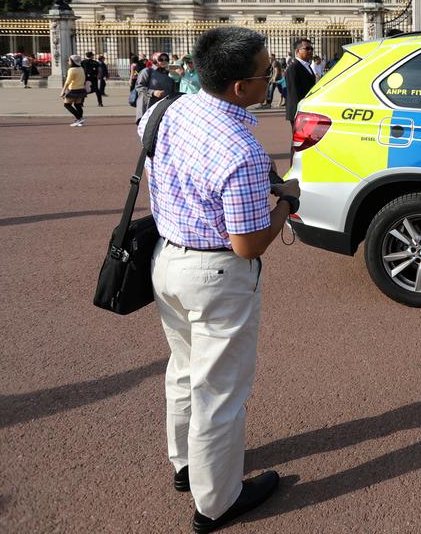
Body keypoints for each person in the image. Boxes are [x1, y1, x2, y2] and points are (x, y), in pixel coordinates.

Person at [140, 26, 297, 531]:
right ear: (240, 88)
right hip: (215, 274)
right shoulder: (243, 149)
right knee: (221, 392)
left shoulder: (166, 110)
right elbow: (247, 243)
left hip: (167, 260)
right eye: (266, 72)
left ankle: (184, 464)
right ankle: (217, 502)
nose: (270, 78)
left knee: (183, 371)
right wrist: (286, 204)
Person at [134, 53, 177, 123]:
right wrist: (153, 92)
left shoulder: (169, 73)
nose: (164, 61)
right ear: (155, 60)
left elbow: (173, 89)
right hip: (148, 105)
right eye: (161, 59)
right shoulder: (147, 71)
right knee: (147, 130)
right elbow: (139, 86)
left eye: (166, 59)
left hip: (163, 107)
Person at [284, 39, 318, 128]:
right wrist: (300, 113)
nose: (310, 51)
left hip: (307, 110)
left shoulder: (307, 66)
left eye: (311, 48)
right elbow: (293, 93)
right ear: (297, 51)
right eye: (307, 48)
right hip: (299, 112)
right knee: (299, 140)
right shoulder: (293, 67)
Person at [60, 55, 88, 126]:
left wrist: (63, 90)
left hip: (73, 90)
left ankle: (79, 119)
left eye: (69, 60)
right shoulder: (81, 68)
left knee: (67, 105)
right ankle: (80, 120)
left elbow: (68, 81)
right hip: (81, 89)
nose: (68, 62)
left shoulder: (71, 70)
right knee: (78, 105)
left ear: (72, 62)